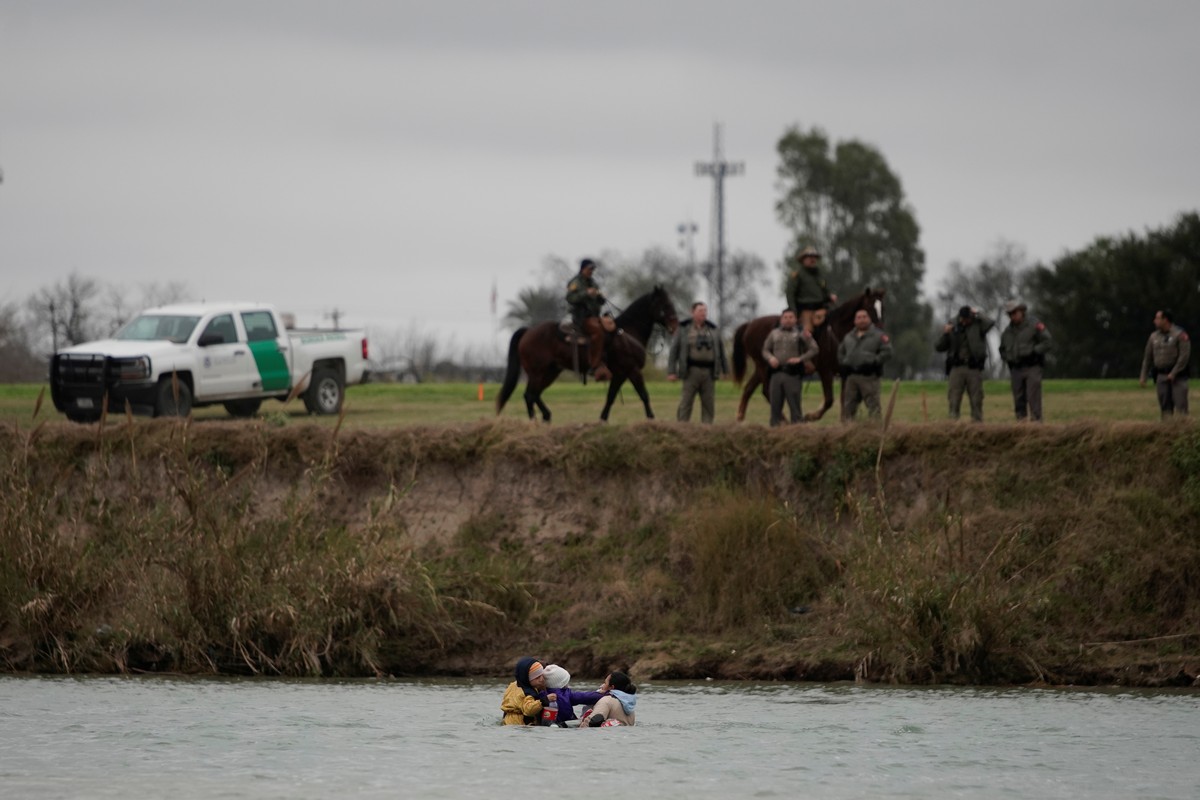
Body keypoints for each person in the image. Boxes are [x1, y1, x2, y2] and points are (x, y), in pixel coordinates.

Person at [666, 301, 729, 424]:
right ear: (693, 312)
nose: (703, 313)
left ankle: (706, 430)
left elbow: (721, 351)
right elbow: (673, 352)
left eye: (705, 311)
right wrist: (671, 371)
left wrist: (725, 370)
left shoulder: (713, 330)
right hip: (690, 371)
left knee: (708, 404)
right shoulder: (684, 329)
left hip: (709, 373)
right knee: (686, 402)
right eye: (700, 311)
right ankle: (682, 428)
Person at [935, 305, 994, 422]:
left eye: (967, 319)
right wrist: (946, 333)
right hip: (957, 368)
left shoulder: (978, 324)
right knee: (954, 398)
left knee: (976, 398)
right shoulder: (953, 324)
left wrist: (978, 313)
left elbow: (990, 323)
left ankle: (977, 424)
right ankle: (953, 423)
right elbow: (939, 347)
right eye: (963, 319)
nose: (965, 322)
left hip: (974, 367)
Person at [762, 308, 820, 426]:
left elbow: (814, 349)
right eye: (785, 317)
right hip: (776, 374)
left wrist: (800, 359)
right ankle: (774, 432)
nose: (788, 320)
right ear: (781, 319)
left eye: (791, 317)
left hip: (792, 375)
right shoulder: (774, 333)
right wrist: (770, 358)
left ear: (795, 320)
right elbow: (765, 350)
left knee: (795, 407)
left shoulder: (801, 333)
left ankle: (797, 432)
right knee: (775, 407)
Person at [999, 300, 1052, 422]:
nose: (1012, 316)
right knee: (1018, 399)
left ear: (1021, 311)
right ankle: (1021, 426)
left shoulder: (1034, 325)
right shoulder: (1007, 332)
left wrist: (1034, 352)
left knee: (1033, 397)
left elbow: (1048, 342)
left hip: (1032, 367)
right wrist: (1008, 358)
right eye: (1010, 314)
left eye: (1014, 313)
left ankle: (1036, 425)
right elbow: (1002, 350)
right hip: (1016, 369)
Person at [837, 308, 893, 421]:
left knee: (873, 407)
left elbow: (888, 352)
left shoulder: (878, 335)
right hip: (852, 377)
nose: (862, 320)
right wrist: (844, 364)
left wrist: (875, 362)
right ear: (854, 321)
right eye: (859, 318)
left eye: (864, 317)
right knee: (848, 407)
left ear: (869, 319)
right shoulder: (848, 337)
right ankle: (847, 431)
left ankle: (875, 431)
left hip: (869, 377)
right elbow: (840, 352)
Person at [1140, 309, 1190, 419]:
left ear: (1165, 320)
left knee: (1181, 407)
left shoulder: (1180, 334)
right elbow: (1147, 358)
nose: (1154, 321)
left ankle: (1185, 431)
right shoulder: (1153, 337)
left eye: (1157, 318)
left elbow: (1184, 357)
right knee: (1165, 409)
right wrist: (1143, 376)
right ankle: (1167, 431)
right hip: (1161, 376)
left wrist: (1174, 373)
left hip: (1178, 377)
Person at [566, 258, 610, 381]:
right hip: (582, 318)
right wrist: (586, 293)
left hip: (595, 316)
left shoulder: (593, 283)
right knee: (597, 332)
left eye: (592, 269)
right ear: (583, 269)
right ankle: (594, 365)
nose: (591, 271)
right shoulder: (575, 282)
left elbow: (599, 301)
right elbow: (570, 298)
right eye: (589, 269)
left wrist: (601, 297)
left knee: (611, 327)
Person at [785, 246, 837, 334]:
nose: (813, 259)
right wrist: (793, 311)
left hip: (821, 310)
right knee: (807, 334)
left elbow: (825, 290)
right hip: (806, 311)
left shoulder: (819, 274)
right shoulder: (797, 275)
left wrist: (830, 296)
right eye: (809, 257)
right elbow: (790, 294)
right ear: (803, 260)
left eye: (814, 257)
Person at [542, 664, 608, 726]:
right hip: (567, 723)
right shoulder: (566, 694)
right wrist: (602, 694)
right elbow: (586, 697)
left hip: (552, 723)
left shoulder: (542, 694)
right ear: (562, 683)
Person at [500, 657, 553, 726]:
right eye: (537, 677)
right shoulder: (527, 693)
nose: (541, 680)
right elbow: (529, 710)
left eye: (542, 676)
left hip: (507, 719)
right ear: (528, 678)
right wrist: (544, 700)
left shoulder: (514, 685)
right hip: (520, 724)